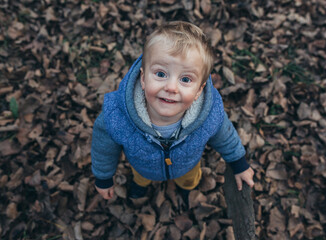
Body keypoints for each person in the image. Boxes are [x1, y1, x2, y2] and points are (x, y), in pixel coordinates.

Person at [91, 21, 254, 204]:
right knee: (141, 177)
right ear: (143, 78)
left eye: (185, 79)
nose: (170, 87)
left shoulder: (208, 114)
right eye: (161, 74)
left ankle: (187, 190)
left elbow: (225, 135)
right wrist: (104, 177)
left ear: (199, 90)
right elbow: (103, 148)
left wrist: (238, 163)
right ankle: (140, 185)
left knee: (189, 180)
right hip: (141, 165)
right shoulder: (117, 117)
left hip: (187, 166)